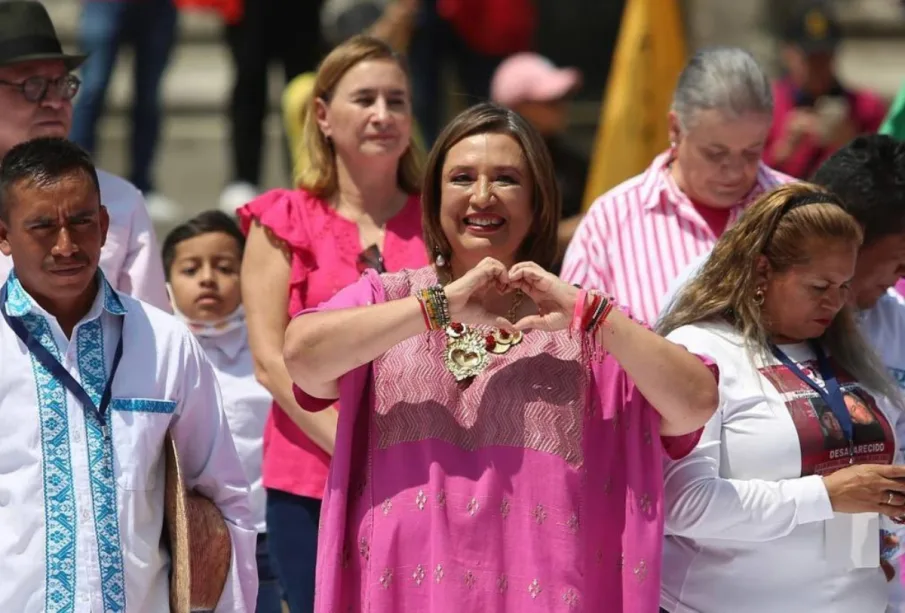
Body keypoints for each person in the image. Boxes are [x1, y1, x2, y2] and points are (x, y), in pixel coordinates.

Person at [281, 102, 718, 612]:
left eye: (507, 179)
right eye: (462, 177)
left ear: (537, 203)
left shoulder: (584, 323)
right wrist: (436, 307)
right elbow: (303, 356)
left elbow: (694, 403)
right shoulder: (387, 299)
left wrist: (591, 314)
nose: (482, 196)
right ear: (434, 197)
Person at [0, 136, 257, 611]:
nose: (66, 245)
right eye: (41, 227)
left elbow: (224, 504)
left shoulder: (166, 343)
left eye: (81, 222)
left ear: (103, 225)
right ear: (3, 236)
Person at [238, 35, 427, 613]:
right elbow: (271, 364)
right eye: (364, 98)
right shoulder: (282, 219)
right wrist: (355, 449)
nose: (383, 115)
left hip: (426, 476)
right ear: (322, 115)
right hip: (310, 481)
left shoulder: (443, 218)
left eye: (396, 100)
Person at [656, 182, 905, 612]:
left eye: (844, 285)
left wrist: (875, 536)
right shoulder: (701, 350)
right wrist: (825, 495)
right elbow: (683, 504)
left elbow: (854, 497)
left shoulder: (842, 353)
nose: (836, 302)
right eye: (819, 286)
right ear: (761, 271)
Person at [561, 47, 792, 323]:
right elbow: (573, 336)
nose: (733, 171)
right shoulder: (610, 220)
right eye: (715, 154)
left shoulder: (799, 207)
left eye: (751, 152)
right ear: (675, 129)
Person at [0, 1, 170, 310]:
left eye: (62, 84)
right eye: (33, 85)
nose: (54, 101)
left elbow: (152, 336)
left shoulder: (119, 201)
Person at [163, 210, 280, 613]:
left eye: (225, 267)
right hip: (185, 535)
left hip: (267, 530)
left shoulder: (272, 349)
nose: (207, 278)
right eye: (191, 268)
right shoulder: (156, 354)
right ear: (167, 283)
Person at [69, 0, 180, 223]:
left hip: (157, 8)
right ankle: (71, 180)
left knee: (148, 95)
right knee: (94, 88)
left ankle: (143, 184)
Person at [217, 0, 325, 213]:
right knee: (249, 83)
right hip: (250, 9)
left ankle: (307, 173)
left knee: (303, 90)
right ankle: (244, 177)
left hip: (303, 9)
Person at [763, 0, 888, 180]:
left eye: (825, 57)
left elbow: (887, 180)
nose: (818, 67)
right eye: (810, 58)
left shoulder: (866, 107)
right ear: (788, 54)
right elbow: (739, 180)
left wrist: (853, 145)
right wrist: (783, 150)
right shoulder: (764, 106)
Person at [490, 52, 587, 261]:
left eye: (562, 98)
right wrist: (576, 229)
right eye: (549, 100)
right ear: (516, 107)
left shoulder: (574, 163)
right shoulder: (490, 166)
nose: (561, 105)